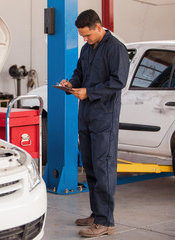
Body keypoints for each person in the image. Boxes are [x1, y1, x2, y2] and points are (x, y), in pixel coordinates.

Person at [60, 9, 129, 237]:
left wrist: (89, 92)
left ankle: (106, 221)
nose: (85, 39)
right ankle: (96, 213)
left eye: (88, 35)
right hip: (87, 114)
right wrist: (71, 84)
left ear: (99, 27)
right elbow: (80, 73)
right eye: (82, 36)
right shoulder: (87, 49)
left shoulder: (116, 48)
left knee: (104, 168)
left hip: (104, 118)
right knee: (89, 166)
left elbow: (117, 82)